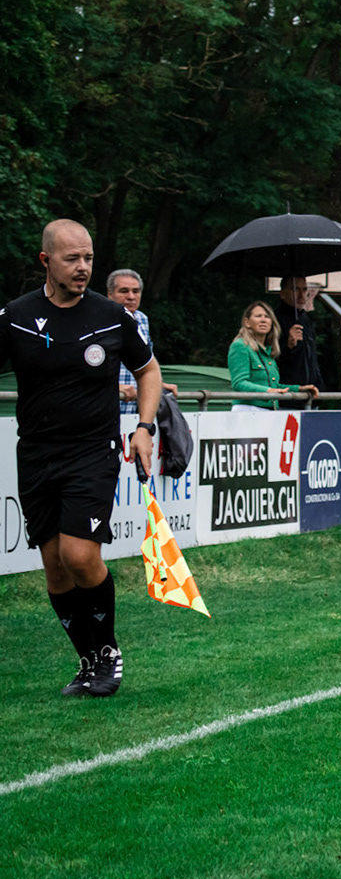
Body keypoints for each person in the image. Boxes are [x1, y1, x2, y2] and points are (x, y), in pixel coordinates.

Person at [0, 220, 159, 696]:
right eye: (72, 259)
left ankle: (108, 651)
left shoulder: (112, 315)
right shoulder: (16, 316)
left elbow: (148, 371)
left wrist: (144, 428)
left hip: (92, 452)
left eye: (88, 258)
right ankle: (88, 661)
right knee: (54, 565)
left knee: (79, 555)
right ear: (46, 260)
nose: (83, 267)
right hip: (36, 454)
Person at [105, 269, 176, 411]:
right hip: (104, 407)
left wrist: (157, 384)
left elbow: (146, 362)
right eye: (124, 291)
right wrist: (114, 387)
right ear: (110, 294)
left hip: (132, 409)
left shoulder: (142, 319)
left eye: (136, 291)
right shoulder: (97, 320)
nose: (131, 297)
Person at [229, 302, 316, 405]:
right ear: (247, 322)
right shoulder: (240, 346)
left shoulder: (268, 351)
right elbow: (239, 383)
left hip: (269, 410)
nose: (263, 320)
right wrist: (268, 391)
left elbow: (274, 387)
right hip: (247, 409)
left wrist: (299, 389)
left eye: (267, 317)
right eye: (258, 316)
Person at [274, 277, 326, 392]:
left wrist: (318, 383)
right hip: (287, 392)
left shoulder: (304, 319)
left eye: (304, 289)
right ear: (282, 294)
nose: (301, 295)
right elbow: (270, 359)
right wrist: (288, 346)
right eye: (295, 289)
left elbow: (312, 357)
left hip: (311, 391)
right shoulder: (274, 320)